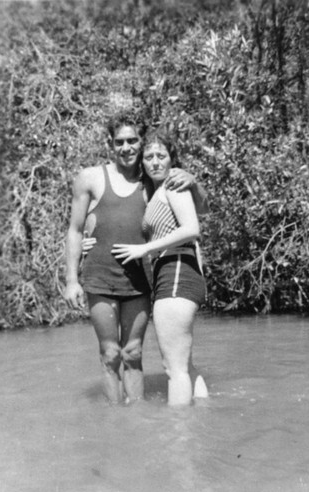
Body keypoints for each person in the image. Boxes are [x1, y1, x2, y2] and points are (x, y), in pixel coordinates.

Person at [64, 109, 208, 404]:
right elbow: (76, 229)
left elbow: (197, 211)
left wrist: (192, 180)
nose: (126, 147)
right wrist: (71, 279)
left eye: (132, 141)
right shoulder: (90, 177)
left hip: (140, 281)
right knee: (110, 353)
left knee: (133, 353)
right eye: (119, 141)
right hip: (99, 277)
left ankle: (138, 419)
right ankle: (117, 424)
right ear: (111, 143)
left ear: (141, 143)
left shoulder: (153, 182)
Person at [111, 130, 208, 406]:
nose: (155, 162)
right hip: (177, 275)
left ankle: (178, 440)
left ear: (171, 159)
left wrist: (144, 249)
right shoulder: (157, 191)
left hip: (177, 272)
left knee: (173, 370)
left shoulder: (173, 185)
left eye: (161, 156)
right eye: (149, 157)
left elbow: (192, 228)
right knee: (185, 366)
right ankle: (202, 417)